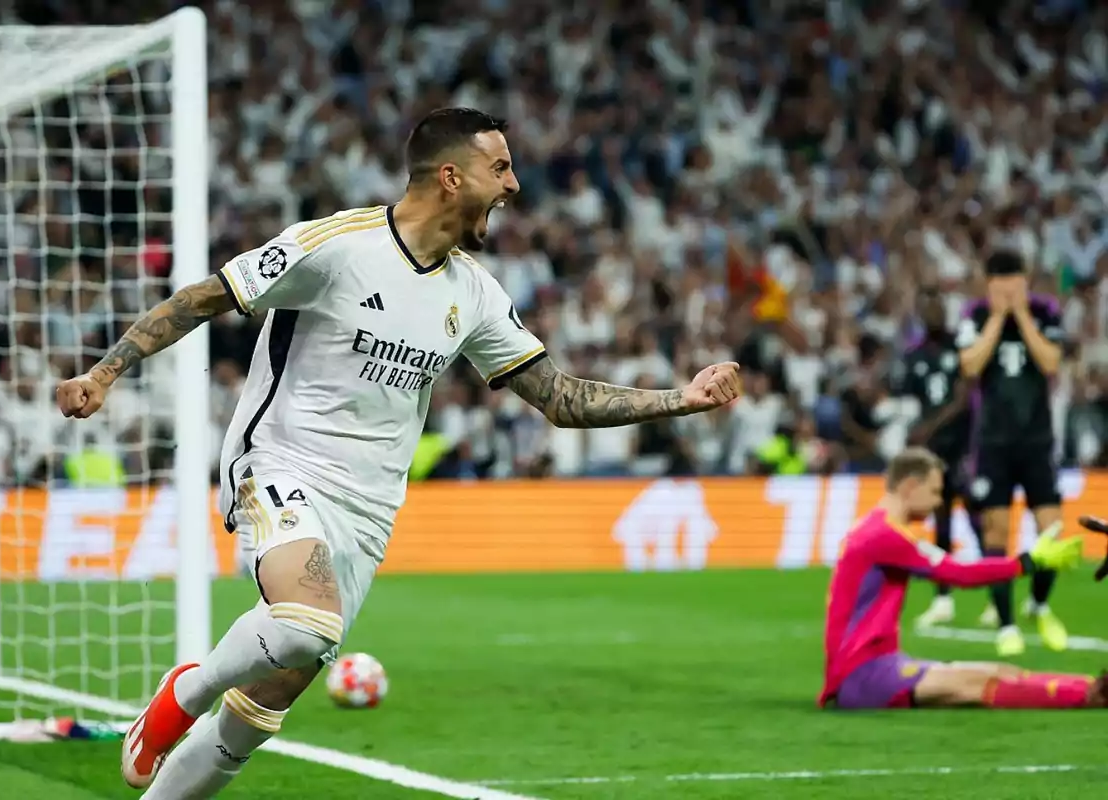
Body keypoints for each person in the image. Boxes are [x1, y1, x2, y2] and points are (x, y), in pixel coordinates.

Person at [55, 107, 742, 798]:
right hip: (281, 466)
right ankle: (186, 690)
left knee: (261, 711)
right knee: (305, 623)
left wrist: (677, 399)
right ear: (452, 176)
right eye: (499, 168)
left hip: (371, 509)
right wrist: (103, 374)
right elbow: (209, 294)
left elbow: (557, 396)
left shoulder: (472, 291)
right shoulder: (339, 247)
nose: (514, 186)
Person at [819, 447, 1102, 711]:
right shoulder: (884, 535)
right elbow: (959, 574)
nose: (939, 501)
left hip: (876, 665)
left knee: (999, 671)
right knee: (974, 684)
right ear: (909, 487)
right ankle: (1089, 696)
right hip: (863, 674)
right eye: (934, 491)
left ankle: (1090, 684)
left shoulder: (877, 529)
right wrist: (1027, 562)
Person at [956, 250, 1067, 655]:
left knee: (1053, 529)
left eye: (1015, 279)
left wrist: (1020, 316)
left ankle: (1038, 603)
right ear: (989, 284)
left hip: (1037, 442)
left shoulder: (1045, 311)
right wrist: (1000, 318)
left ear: (1026, 279)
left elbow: (1051, 360)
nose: (1008, 288)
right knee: (996, 532)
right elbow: (970, 366)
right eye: (1000, 281)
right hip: (993, 444)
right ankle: (1006, 626)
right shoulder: (976, 315)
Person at [896, 285, 979, 628]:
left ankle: (995, 596)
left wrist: (927, 427)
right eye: (928, 308)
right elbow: (910, 402)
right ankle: (943, 599)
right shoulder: (914, 357)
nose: (935, 313)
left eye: (939, 307)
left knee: (980, 517)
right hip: (934, 451)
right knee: (941, 521)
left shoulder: (959, 348)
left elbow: (963, 398)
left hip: (964, 446)